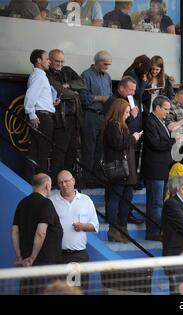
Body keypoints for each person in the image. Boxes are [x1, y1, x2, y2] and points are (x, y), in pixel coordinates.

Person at [11, 173, 63, 294]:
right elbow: (41, 232)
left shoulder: (22, 203)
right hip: (44, 264)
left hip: (26, 264)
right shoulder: (46, 203)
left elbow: (14, 232)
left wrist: (20, 257)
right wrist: (32, 258)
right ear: (47, 186)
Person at [49, 170, 99, 291]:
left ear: (73, 181)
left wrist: (83, 226)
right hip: (58, 256)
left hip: (78, 256)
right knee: (60, 292)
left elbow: (95, 226)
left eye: (66, 181)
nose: (64, 185)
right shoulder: (51, 201)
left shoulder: (86, 200)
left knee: (78, 290)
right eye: (60, 182)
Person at [103, 98, 142, 242]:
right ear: (119, 111)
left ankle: (122, 228)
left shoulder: (122, 125)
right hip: (119, 169)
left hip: (128, 169)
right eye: (126, 112)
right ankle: (114, 230)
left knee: (127, 199)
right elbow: (119, 144)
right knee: (116, 198)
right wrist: (133, 138)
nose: (127, 114)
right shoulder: (112, 125)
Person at [46, 49, 85, 182]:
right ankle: (56, 184)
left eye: (62, 61)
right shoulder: (46, 74)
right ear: (50, 60)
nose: (60, 63)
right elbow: (61, 91)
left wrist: (68, 85)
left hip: (75, 119)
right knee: (59, 153)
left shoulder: (67, 70)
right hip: (60, 120)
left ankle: (69, 182)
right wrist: (73, 92)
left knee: (72, 153)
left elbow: (82, 84)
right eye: (57, 61)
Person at [141, 95, 175, 241]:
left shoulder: (160, 122)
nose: (168, 112)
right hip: (155, 170)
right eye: (166, 109)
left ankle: (157, 230)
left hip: (162, 169)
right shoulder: (150, 122)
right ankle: (153, 231)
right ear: (157, 107)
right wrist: (174, 140)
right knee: (156, 203)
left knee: (159, 201)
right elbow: (156, 144)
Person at [24, 49, 60, 182]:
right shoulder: (38, 76)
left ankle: (31, 181)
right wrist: (32, 114)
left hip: (42, 115)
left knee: (36, 150)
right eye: (47, 58)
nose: (49, 61)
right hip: (42, 117)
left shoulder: (40, 75)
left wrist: (51, 102)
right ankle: (40, 184)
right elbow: (30, 96)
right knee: (42, 152)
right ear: (39, 61)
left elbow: (38, 97)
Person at [80, 50, 113, 187]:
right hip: (90, 114)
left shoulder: (107, 77)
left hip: (103, 116)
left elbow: (110, 95)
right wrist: (100, 98)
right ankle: (87, 179)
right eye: (105, 64)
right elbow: (82, 97)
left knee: (100, 148)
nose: (107, 67)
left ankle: (96, 177)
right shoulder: (86, 75)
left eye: (109, 64)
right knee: (89, 148)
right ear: (98, 62)